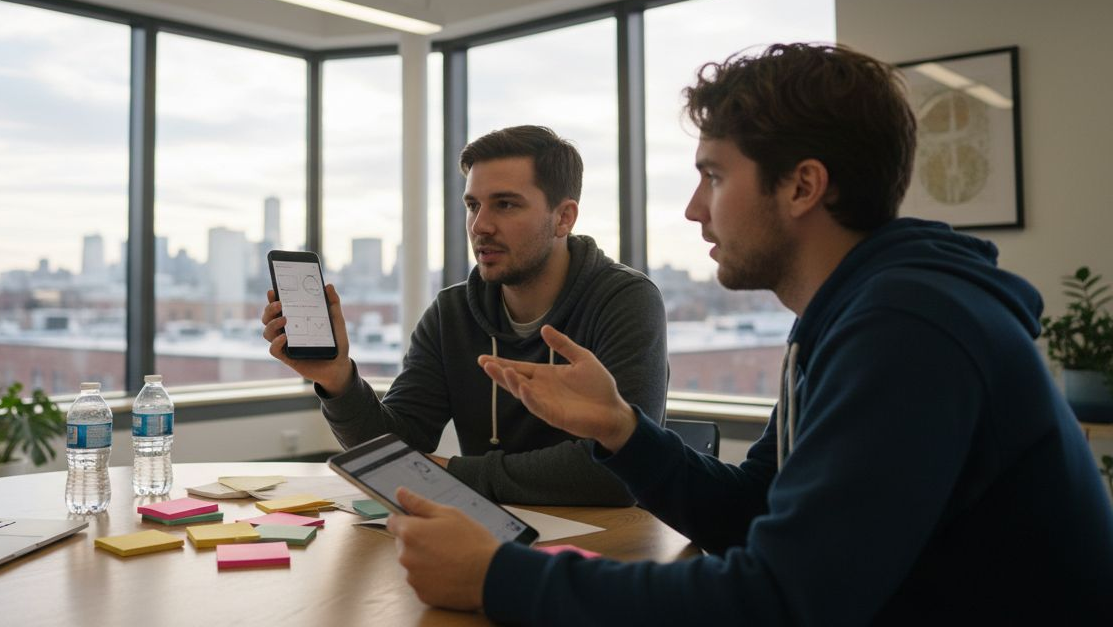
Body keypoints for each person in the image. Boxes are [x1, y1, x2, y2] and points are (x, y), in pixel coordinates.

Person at [386, 44, 1113, 623]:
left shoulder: (910, 328)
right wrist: (622, 430)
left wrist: (497, 577)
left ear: (801, 187)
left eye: (714, 176)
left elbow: (780, 601)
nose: (694, 209)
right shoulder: (844, 317)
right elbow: (752, 513)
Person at [262, 125, 667, 505]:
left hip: (608, 548)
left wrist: (450, 474)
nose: (481, 225)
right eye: (473, 205)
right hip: (483, 537)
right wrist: (337, 379)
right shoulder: (452, 312)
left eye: (505, 205)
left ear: (564, 217)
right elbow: (396, 445)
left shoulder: (626, 302)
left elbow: (617, 472)